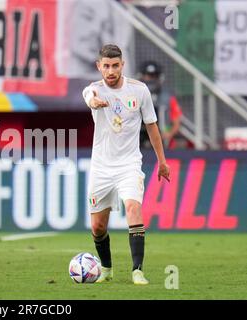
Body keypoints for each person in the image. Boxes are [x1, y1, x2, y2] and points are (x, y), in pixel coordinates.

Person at [82, 44, 170, 285]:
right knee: (98, 226)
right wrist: (94, 101)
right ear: (99, 66)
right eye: (106, 66)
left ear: (123, 65)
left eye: (115, 66)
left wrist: (162, 161)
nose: (111, 71)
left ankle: (137, 271)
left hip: (129, 164)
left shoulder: (139, 91)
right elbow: (88, 97)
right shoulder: (94, 90)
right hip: (101, 167)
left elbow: (151, 125)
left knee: (133, 207)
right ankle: (107, 268)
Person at [138, 60, 183, 149]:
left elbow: (177, 122)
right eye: (148, 76)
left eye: (153, 76)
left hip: (162, 139)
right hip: (138, 139)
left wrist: (168, 134)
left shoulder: (168, 97)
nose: (150, 79)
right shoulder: (134, 96)